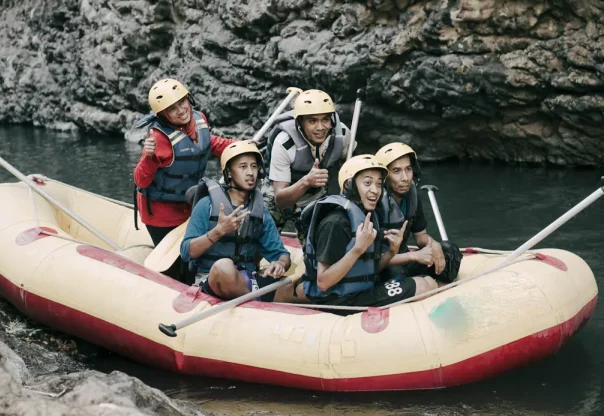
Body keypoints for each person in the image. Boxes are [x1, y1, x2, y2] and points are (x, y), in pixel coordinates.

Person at [297, 155, 437, 307]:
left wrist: (391, 252)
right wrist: (357, 249)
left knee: (429, 282)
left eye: (378, 184)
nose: (375, 190)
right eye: (367, 183)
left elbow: (369, 270)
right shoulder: (335, 223)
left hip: (361, 291)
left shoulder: (368, 216)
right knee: (422, 286)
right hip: (338, 299)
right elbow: (323, 283)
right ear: (349, 185)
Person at [180, 141, 295, 301]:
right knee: (224, 266)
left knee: (294, 287)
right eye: (243, 167)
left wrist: (280, 264)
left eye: (254, 166)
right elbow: (186, 252)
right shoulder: (206, 204)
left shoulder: (260, 212)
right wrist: (219, 231)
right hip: (212, 279)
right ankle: (257, 306)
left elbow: (282, 254)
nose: (250, 173)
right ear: (228, 173)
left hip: (249, 279)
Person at [133, 78, 234, 246]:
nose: (181, 110)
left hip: (190, 205)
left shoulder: (199, 118)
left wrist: (238, 146)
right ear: (163, 115)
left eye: (182, 102)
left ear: (189, 98)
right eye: (172, 109)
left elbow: (210, 142)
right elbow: (140, 180)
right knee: (179, 267)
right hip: (161, 215)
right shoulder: (158, 138)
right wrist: (148, 157)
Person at [264, 89, 353, 242]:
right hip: (277, 196)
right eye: (312, 121)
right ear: (300, 122)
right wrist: (306, 181)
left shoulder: (342, 135)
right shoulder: (284, 143)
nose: (321, 128)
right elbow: (280, 200)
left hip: (314, 197)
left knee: (317, 246)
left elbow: (351, 170)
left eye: (325, 119)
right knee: (262, 237)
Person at [375, 143, 462, 283]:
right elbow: (371, 261)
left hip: (403, 259)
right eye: (396, 171)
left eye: (408, 169)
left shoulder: (412, 196)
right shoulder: (374, 202)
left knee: (449, 251)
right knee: (394, 272)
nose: (405, 178)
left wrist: (433, 244)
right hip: (382, 265)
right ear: (384, 176)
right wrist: (413, 256)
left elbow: (420, 235)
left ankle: (425, 284)